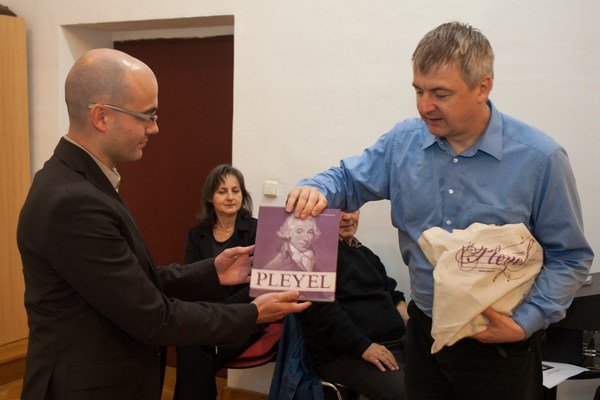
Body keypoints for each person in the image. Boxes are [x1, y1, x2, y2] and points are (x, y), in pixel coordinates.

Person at [286, 22, 594, 399]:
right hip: (424, 336)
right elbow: (348, 179)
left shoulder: (540, 160)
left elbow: (570, 257)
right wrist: (316, 188)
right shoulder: (402, 143)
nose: (424, 106)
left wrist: (525, 322)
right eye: (418, 90)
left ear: (483, 87)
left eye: (440, 94)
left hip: (498, 346)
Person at [16, 48, 310, 400]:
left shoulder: (82, 182)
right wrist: (251, 314)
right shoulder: (72, 200)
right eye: (147, 116)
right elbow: (153, 317)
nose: (154, 128)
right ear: (101, 116)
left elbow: (132, 282)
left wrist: (212, 272)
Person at [174, 164, 263, 400]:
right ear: (210, 197)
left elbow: (256, 287)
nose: (230, 197)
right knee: (192, 347)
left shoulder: (257, 230)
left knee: (192, 346)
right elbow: (191, 280)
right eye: (222, 191)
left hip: (244, 317)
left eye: (236, 190)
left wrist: (217, 311)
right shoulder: (196, 234)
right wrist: (208, 314)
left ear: (243, 195)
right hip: (207, 317)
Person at [299, 210, 407, 400]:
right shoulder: (313, 255)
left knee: (441, 381)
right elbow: (323, 315)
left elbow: (393, 295)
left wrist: (413, 328)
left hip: (396, 344)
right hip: (349, 352)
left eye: (352, 209)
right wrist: (363, 347)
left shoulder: (366, 253)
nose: (348, 217)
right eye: (339, 211)